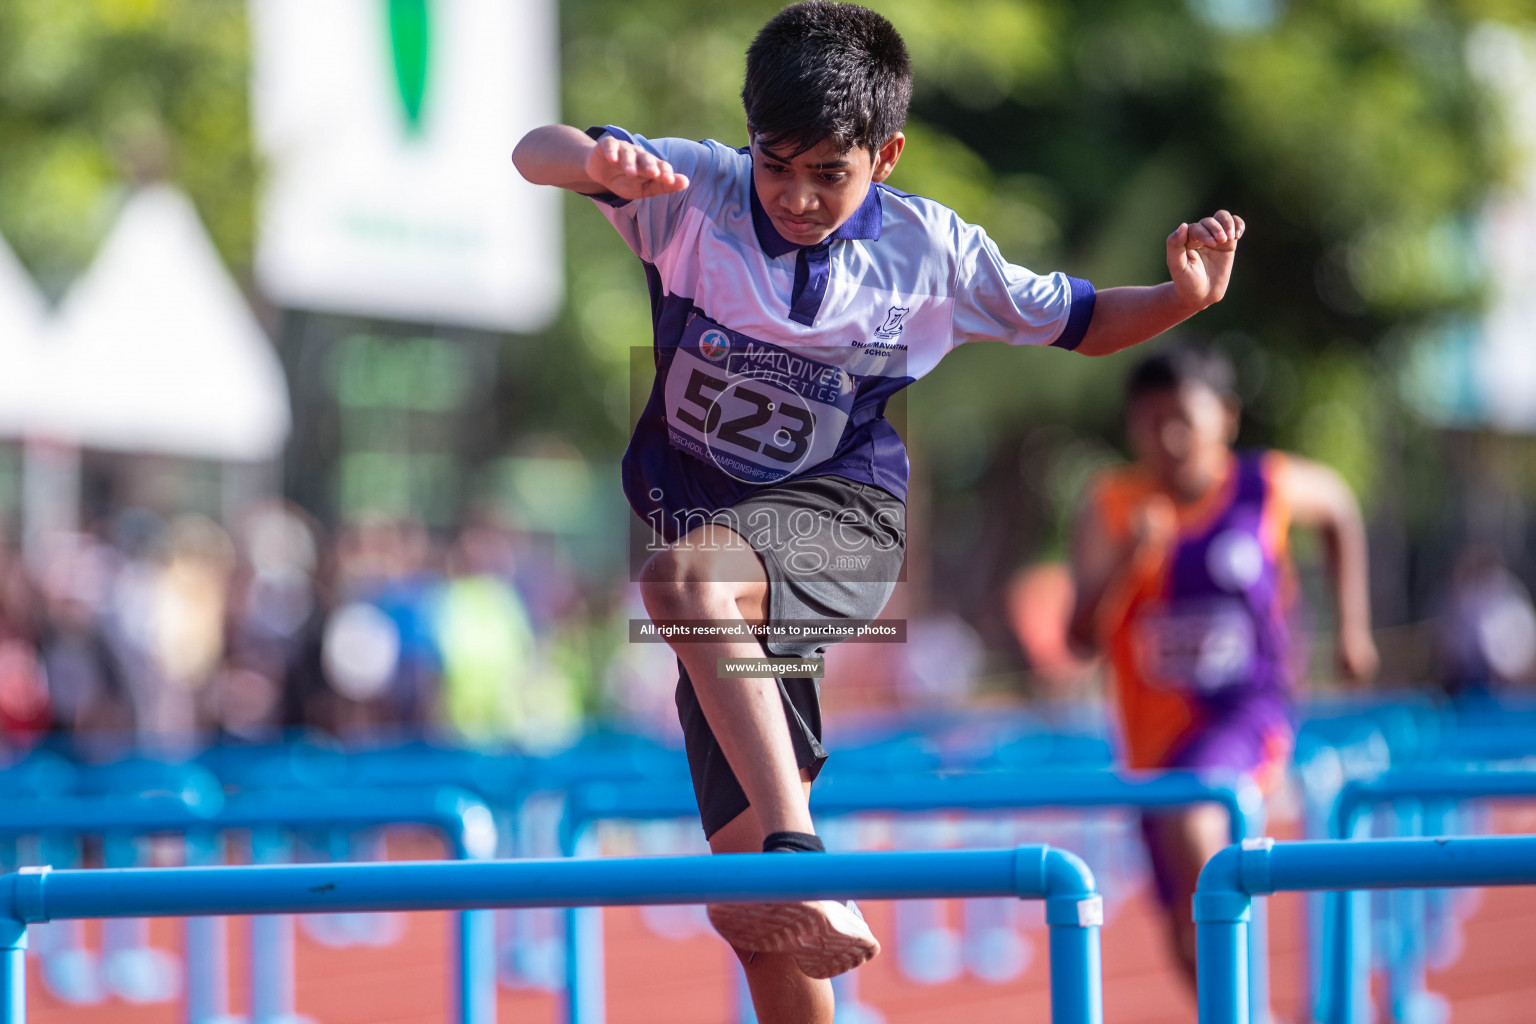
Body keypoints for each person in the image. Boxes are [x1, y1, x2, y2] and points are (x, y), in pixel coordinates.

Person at [514, 2, 1244, 1016]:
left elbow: (1079, 322)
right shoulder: (693, 194)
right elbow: (535, 150)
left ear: (886, 155)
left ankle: (798, 849)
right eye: (779, 165)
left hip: (841, 528)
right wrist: (600, 168)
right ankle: (784, 863)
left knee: (679, 582)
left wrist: (1182, 298)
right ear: (748, 137)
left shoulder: (929, 250)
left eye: (830, 173)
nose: (799, 197)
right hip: (723, 591)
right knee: (759, 928)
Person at [1067, 346, 1377, 989]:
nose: (1169, 436)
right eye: (1150, 421)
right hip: (1149, 744)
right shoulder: (1112, 505)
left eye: (1183, 417)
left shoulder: (1266, 486)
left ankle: (1254, 998)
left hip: (1247, 714)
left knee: (1197, 814)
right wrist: (1131, 560)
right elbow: (1078, 640)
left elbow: (1342, 509)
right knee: (1183, 932)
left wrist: (1352, 628)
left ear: (1226, 418)